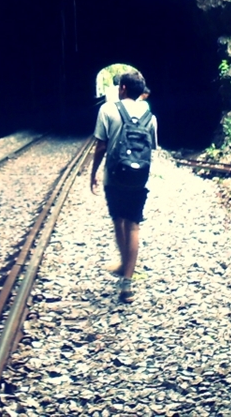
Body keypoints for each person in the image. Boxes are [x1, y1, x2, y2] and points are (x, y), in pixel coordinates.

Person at [90, 70, 158, 303]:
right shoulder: (151, 117)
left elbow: (100, 147)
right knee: (133, 225)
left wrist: (93, 173)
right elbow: (152, 147)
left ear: (123, 89)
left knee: (118, 218)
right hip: (139, 177)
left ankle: (123, 262)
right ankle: (127, 282)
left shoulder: (108, 110)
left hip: (115, 175)